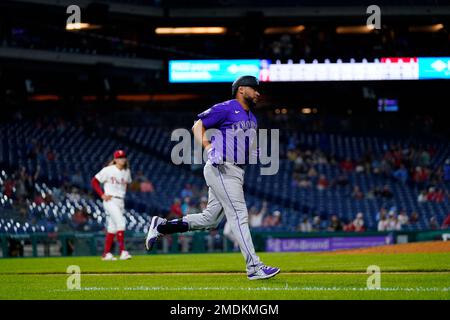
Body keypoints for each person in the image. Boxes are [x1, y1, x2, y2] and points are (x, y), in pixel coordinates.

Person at [145, 75, 280, 280]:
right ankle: (254, 267)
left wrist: (253, 151)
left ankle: (162, 226)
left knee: (210, 220)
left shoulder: (252, 118)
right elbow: (197, 126)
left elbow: (244, 144)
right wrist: (209, 148)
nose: (258, 92)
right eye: (254, 88)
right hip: (221, 166)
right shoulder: (227, 107)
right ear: (241, 89)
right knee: (238, 214)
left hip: (236, 170)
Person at [91, 150, 132, 261]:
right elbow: (94, 181)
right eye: (119, 157)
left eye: (123, 157)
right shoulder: (108, 170)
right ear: (115, 159)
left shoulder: (127, 171)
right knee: (121, 223)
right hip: (110, 200)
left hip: (120, 200)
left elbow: (126, 185)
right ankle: (123, 251)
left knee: (112, 228)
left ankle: (106, 254)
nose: (122, 159)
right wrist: (102, 194)